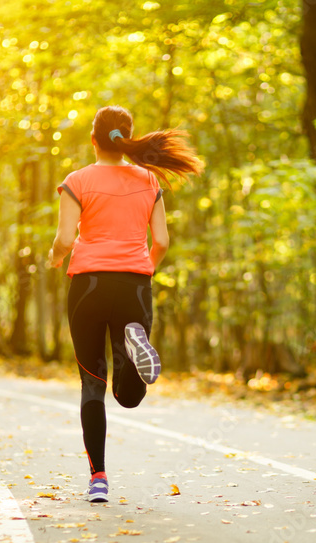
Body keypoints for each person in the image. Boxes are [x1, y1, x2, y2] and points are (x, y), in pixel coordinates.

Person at [48, 105, 202, 503]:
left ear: (94, 140)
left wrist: (54, 256)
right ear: (126, 136)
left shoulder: (77, 181)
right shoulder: (149, 180)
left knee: (92, 382)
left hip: (88, 285)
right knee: (129, 396)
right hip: (134, 283)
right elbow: (162, 242)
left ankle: (98, 478)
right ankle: (134, 342)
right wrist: (141, 270)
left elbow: (66, 239)